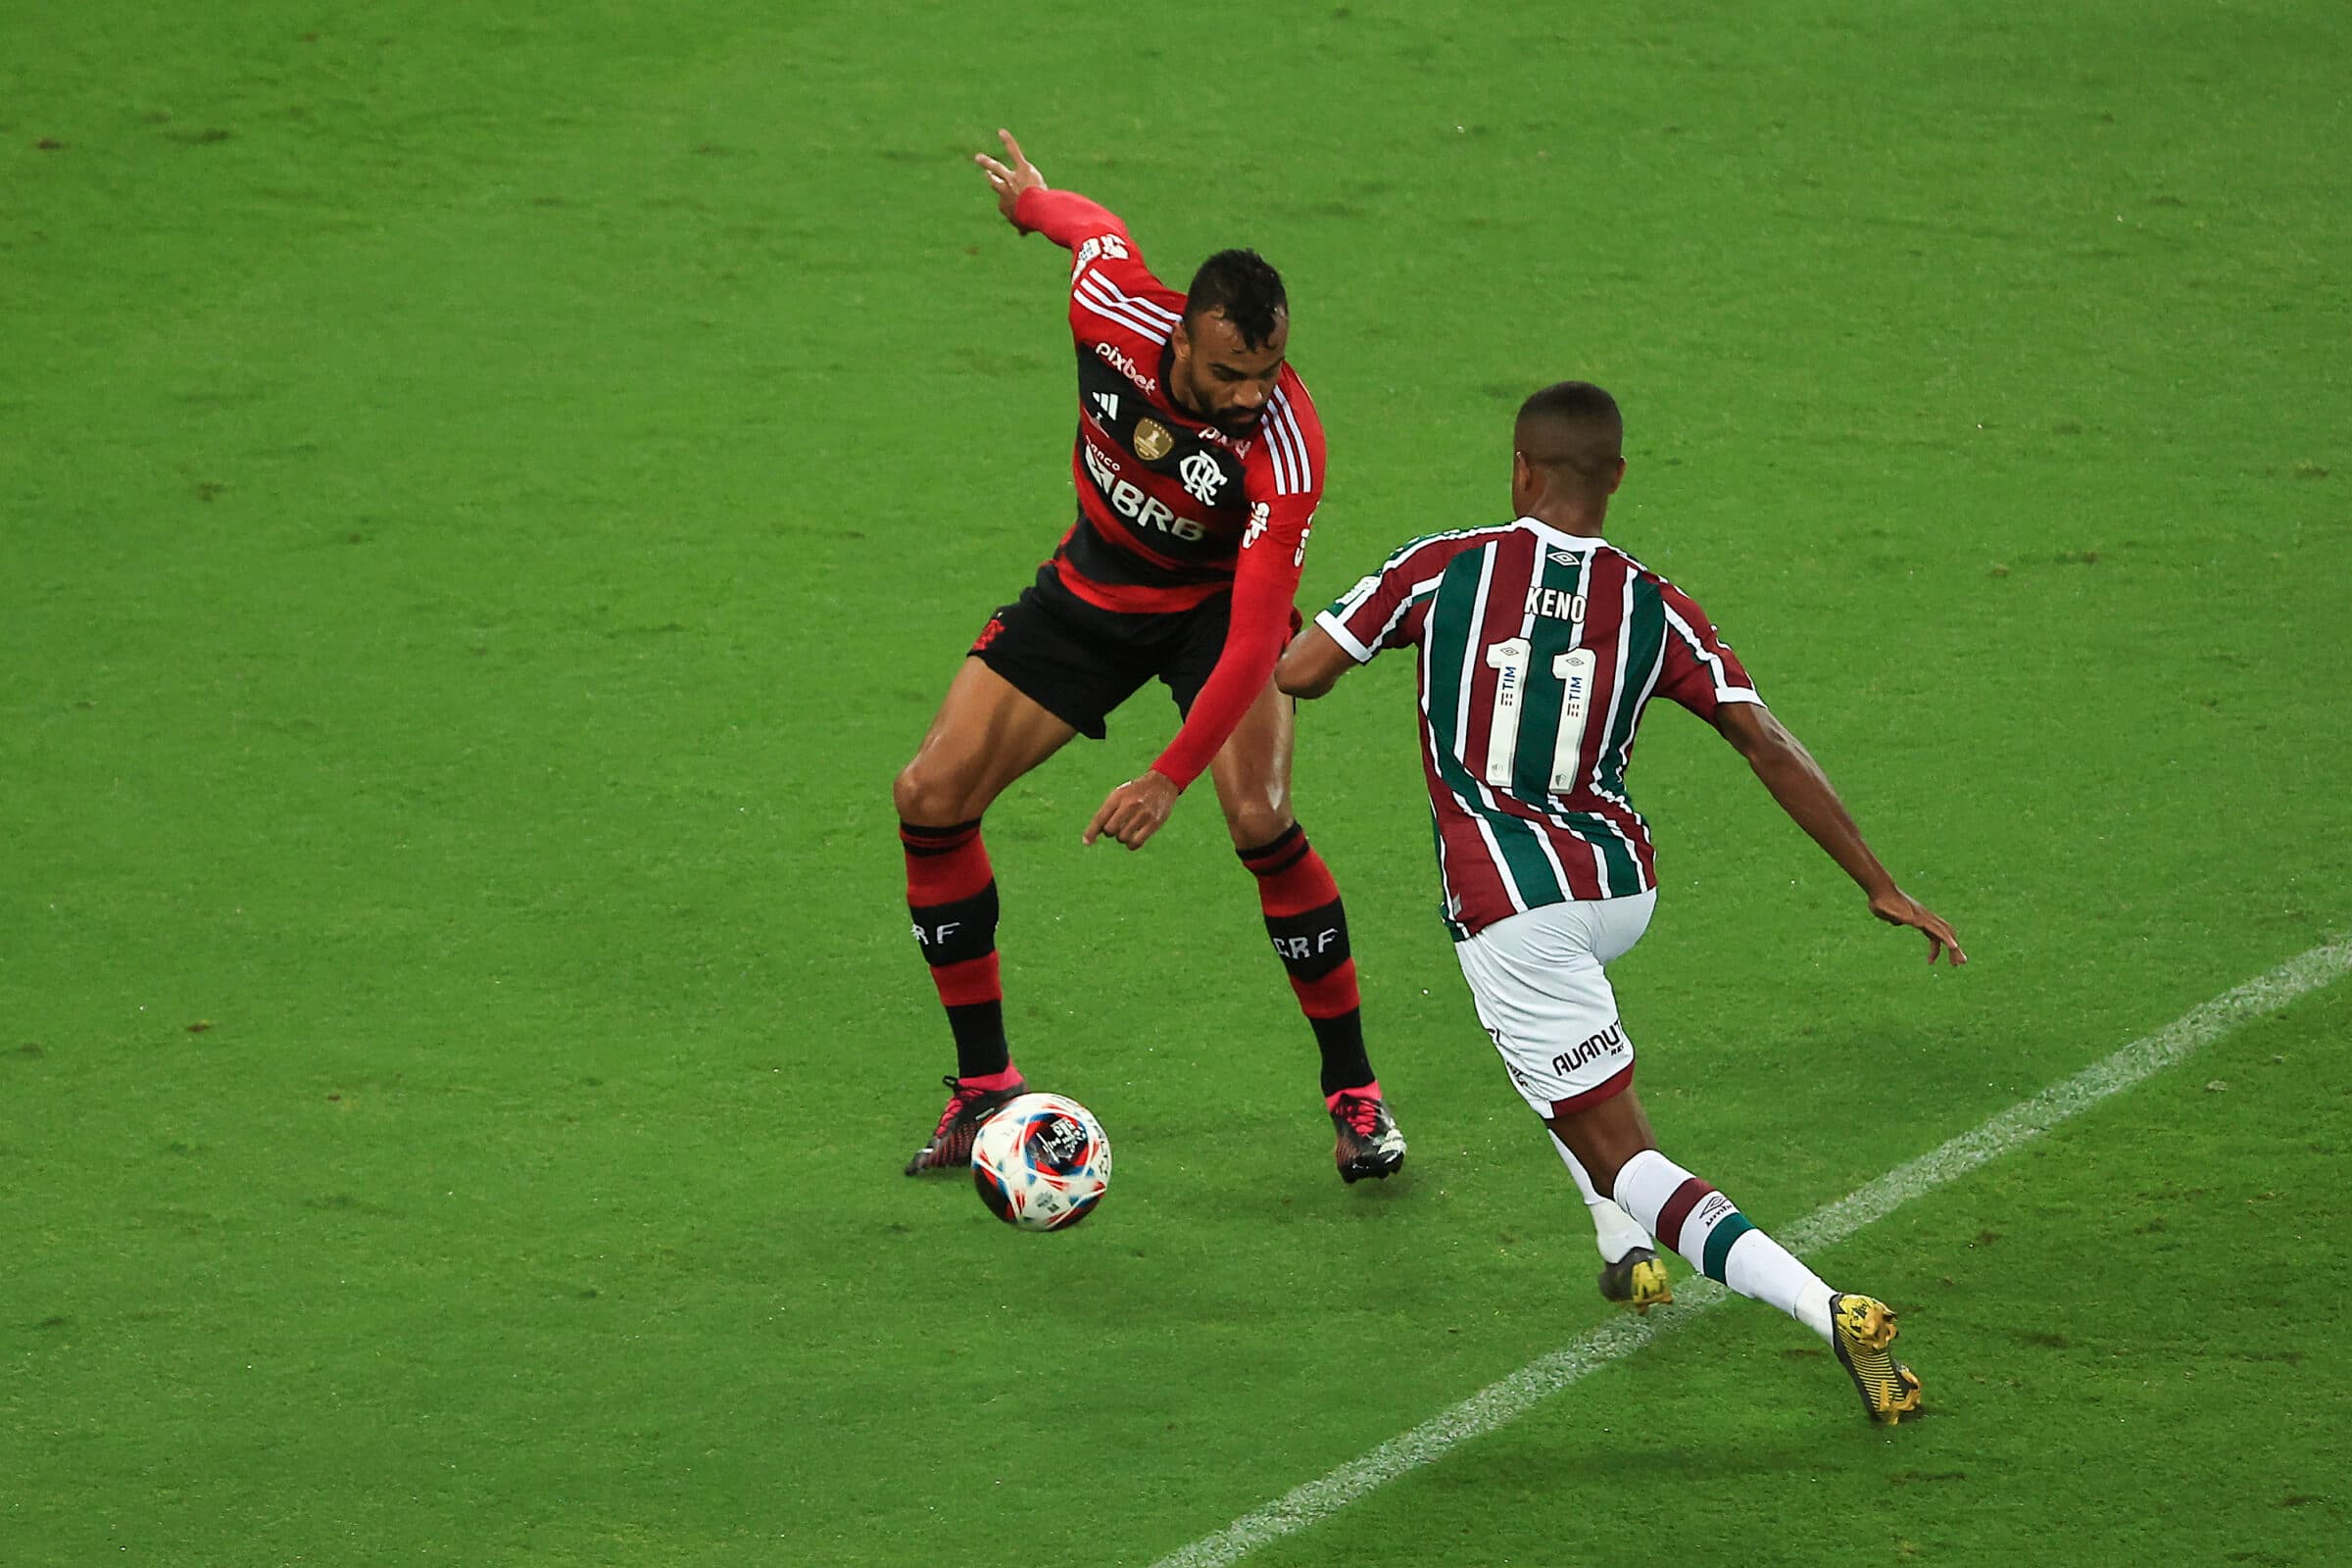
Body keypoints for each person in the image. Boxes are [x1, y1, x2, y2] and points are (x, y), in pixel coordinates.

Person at [1273, 380, 1966, 1422]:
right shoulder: (1654, 601)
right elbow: (1764, 739)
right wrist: (1879, 882)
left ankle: (1825, 1306)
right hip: (1617, 884)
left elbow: (1302, 669)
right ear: (1617, 480)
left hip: (1513, 903)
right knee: (1550, 1056)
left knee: (1622, 1147)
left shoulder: (1442, 566)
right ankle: (1619, 1247)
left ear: (1519, 471)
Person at [893, 130, 1407, 1184]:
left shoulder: (1284, 448)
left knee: (1259, 817)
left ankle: (1355, 1096)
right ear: (1182, 334)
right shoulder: (1110, 311)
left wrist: (1168, 776)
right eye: (1229, 373)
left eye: (1266, 371)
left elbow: (1263, 629)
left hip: (1215, 614)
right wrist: (1031, 201)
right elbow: (1093, 232)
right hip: (1091, 591)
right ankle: (984, 1087)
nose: (1248, 394)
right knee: (929, 794)